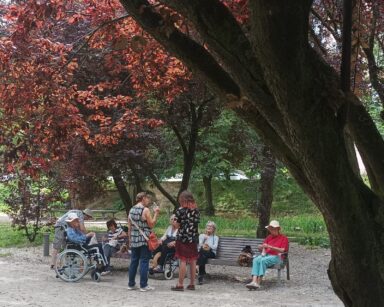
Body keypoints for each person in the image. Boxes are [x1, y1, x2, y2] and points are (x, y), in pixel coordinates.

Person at [128, 192, 160, 292]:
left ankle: (131, 284)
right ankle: (143, 285)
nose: (148, 200)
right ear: (143, 198)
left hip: (134, 239)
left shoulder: (131, 209)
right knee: (144, 261)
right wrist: (156, 213)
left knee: (133, 261)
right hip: (144, 239)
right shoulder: (145, 210)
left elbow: (129, 227)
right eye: (147, 198)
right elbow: (151, 225)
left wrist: (130, 240)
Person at [246, 220, 289, 289]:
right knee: (256, 259)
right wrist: (260, 247)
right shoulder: (269, 237)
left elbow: (282, 250)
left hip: (277, 257)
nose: (271, 230)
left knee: (263, 261)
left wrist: (270, 247)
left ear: (278, 229)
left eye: (273, 229)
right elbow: (263, 249)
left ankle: (258, 282)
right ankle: (253, 281)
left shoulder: (284, 238)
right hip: (266, 255)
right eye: (270, 229)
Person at [171, 190, 200, 291]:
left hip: (182, 238)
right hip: (193, 238)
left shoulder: (180, 210)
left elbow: (177, 226)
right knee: (193, 260)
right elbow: (196, 223)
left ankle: (180, 284)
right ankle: (192, 284)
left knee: (182, 260)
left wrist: (173, 223)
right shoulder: (196, 209)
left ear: (182, 199)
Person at [197, 221, 219, 285]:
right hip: (203, 252)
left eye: (211, 226)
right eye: (208, 226)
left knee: (202, 254)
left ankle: (198, 269)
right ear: (206, 227)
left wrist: (208, 243)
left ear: (214, 229)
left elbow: (215, 247)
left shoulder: (215, 237)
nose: (209, 227)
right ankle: (201, 275)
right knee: (203, 252)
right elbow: (199, 246)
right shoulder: (201, 235)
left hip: (211, 253)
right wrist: (204, 240)